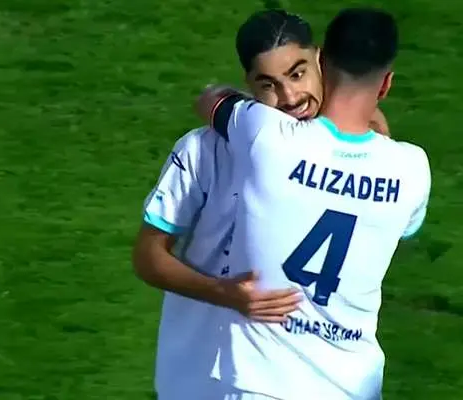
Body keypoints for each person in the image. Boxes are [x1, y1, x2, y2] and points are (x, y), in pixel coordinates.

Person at [134, 9, 391, 400]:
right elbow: (148, 257)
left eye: (297, 74)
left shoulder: (367, 155)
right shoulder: (202, 150)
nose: (289, 97)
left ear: (321, 61)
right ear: (248, 85)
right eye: (268, 84)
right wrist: (222, 292)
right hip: (201, 376)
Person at [197, 7, 430, 399]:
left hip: (262, 387)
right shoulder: (412, 169)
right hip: (352, 388)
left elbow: (212, 100)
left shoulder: (265, 135)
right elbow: (404, 229)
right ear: (386, 84)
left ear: (321, 62)